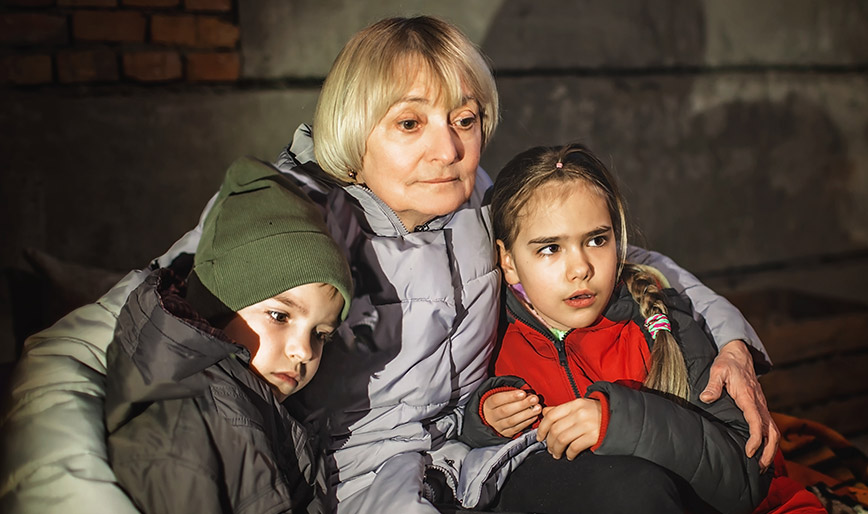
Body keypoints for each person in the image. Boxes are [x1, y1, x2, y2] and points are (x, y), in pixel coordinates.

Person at [0, 16, 776, 514]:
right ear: (353, 126)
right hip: (334, 483)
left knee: (629, 490)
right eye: (411, 122)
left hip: (476, 461)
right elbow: (82, 347)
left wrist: (732, 338)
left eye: (464, 119)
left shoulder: (474, 200)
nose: (449, 146)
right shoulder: (287, 216)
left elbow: (608, 250)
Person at [460, 143, 772, 513]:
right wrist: (485, 419)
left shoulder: (663, 329)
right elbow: (454, 441)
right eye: (549, 248)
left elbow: (748, 474)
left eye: (596, 240)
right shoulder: (486, 332)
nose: (580, 268)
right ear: (508, 262)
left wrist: (620, 423)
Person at [104, 157, 352, 513]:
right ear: (217, 307)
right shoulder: (184, 432)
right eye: (279, 316)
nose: (303, 351)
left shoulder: (259, 410)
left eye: (321, 334)